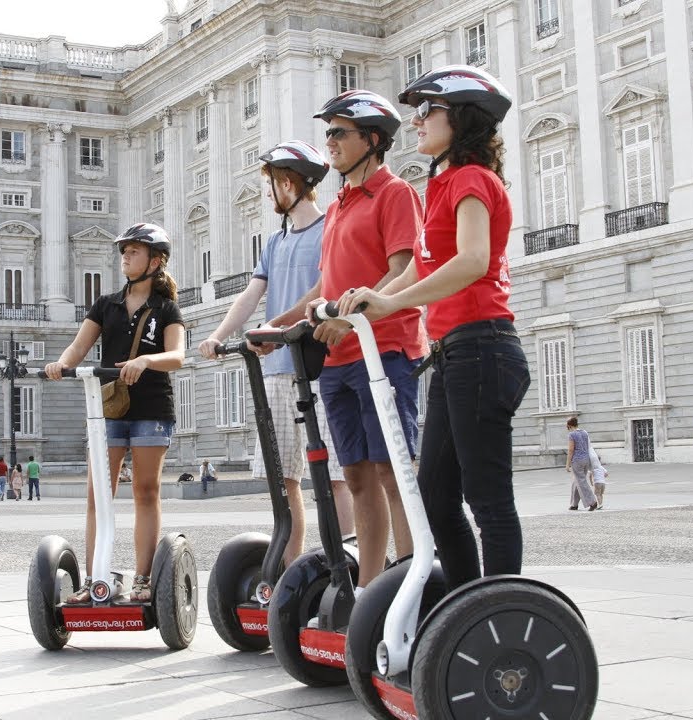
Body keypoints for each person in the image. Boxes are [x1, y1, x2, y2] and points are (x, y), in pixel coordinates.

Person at [340, 65, 536, 588]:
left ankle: (498, 611)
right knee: (435, 498)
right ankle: (464, 605)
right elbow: (423, 267)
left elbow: (472, 260)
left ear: (464, 118)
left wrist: (391, 302)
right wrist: (377, 298)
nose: (417, 120)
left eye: (428, 110)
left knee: (488, 499)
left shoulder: (472, 179)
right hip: (453, 355)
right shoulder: (442, 183)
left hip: (483, 348)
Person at [200, 139, 355, 562]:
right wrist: (218, 334)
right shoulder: (275, 242)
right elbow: (251, 295)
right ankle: (293, 576)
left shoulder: (330, 228)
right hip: (277, 370)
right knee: (284, 477)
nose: (267, 193)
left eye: (270, 184)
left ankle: (340, 567)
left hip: (323, 365)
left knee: (337, 476)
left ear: (290, 183)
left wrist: (276, 325)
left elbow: (325, 288)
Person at [304, 89, 427, 591]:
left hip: (386, 351)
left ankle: (411, 584)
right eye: (327, 132)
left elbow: (406, 269)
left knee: (392, 472)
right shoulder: (336, 206)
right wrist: (281, 322)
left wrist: (356, 313)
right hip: (337, 358)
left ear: (373, 141)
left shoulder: (395, 193)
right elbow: (324, 285)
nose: (329, 141)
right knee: (355, 478)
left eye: (339, 132)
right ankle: (370, 594)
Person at [44, 222, 186, 604]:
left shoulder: (166, 308)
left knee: (145, 490)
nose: (125, 256)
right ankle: (95, 578)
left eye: (134, 251)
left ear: (155, 261)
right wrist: (60, 365)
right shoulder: (105, 305)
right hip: (110, 410)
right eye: (124, 251)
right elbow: (78, 346)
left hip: (152, 408)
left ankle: (142, 578)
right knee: (98, 495)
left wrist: (145, 360)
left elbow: (177, 355)